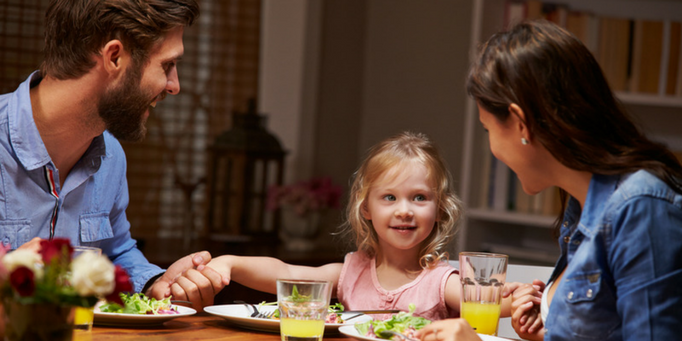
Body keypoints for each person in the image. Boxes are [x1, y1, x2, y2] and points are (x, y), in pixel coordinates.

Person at [416, 20, 682, 341]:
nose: (492, 148)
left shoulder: (640, 209)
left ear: (520, 124)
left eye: (489, 130)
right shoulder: (579, 206)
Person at [0, 0, 225, 310]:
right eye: (167, 65)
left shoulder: (111, 156)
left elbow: (116, 251)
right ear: (114, 57)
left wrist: (153, 283)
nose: (174, 86)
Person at [198, 131, 517, 320]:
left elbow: (484, 303)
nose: (404, 211)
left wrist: (518, 300)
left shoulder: (439, 282)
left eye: (419, 198)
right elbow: (290, 274)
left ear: (440, 208)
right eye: (389, 197)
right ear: (366, 208)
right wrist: (232, 264)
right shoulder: (352, 272)